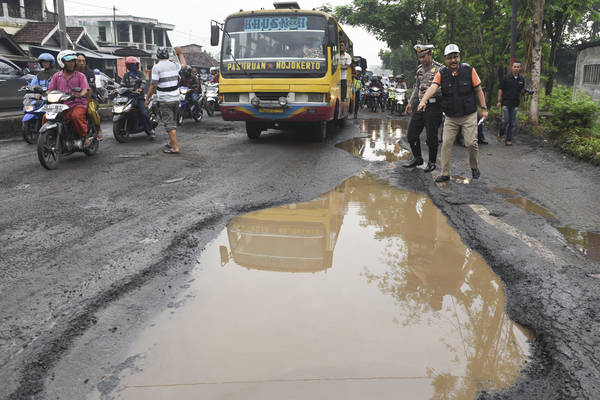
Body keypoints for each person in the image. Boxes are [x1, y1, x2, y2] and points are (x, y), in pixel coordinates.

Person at [418, 44, 488, 182]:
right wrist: (423, 101)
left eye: (455, 57)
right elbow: (433, 87)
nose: (453, 60)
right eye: (450, 58)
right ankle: (445, 173)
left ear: (459, 57)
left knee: (471, 143)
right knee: (446, 144)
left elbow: (479, 90)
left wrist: (484, 108)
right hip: (451, 116)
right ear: (445, 60)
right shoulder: (442, 74)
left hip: (468, 115)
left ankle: (474, 167)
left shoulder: (469, 70)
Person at [403, 44, 444, 172]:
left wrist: (434, 90)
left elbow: (446, 88)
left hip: (434, 104)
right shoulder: (419, 70)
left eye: (423, 56)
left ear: (430, 54)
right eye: (419, 57)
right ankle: (418, 158)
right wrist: (410, 102)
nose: (421, 60)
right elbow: (416, 87)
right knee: (411, 135)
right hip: (420, 105)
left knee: (431, 136)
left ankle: (432, 162)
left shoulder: (440, 69)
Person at [146, 46, 187, 154]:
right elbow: (184, 65)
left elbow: (153, 85)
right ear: (168, 55)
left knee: (169, 124)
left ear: (157, 56)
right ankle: (171, 142)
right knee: (172, 121)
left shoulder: (156, 67)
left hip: (165, 100)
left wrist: (147, 99)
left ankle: (175, 147)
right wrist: (180, 54)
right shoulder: (174, 65)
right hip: (176, 99)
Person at [48, 50, 90, 147]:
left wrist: (80, 94)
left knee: (76, 116)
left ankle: (85, 136)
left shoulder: (80, 76)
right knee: (46, 117)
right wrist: (44, 96)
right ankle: (49, 137)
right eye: (68, 61)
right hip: (60, 105)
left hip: (77, 103)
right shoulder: (56, 76)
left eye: (73, 61)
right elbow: (50, 90)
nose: (71, 63)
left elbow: (85, 89)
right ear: (62, 62)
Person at [122, 56, 155, 139]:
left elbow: (143, 83)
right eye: (129, 65)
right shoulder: (126, 75)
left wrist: (140, 89)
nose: (131, 67)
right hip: (128, 97)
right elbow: (121, 85)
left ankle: (150, 130)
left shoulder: (141, 74)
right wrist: (116, 90)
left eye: (133, 65)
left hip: (139, 97)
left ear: (136, 65)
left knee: (143, 113)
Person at [497, 60, 526, 146]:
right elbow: (500, 89)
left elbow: (521, 91)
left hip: (515, 104)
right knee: (505, 121)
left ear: (520, 68)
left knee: (512, 123)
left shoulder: (522, 79)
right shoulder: (506, 77)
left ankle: (508, 140)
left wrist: (525, 92)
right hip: (506, 103)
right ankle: (501, 133)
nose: (516, 68)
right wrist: (499, 101)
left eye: (518, 67)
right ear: (512, 68)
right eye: (515, 67)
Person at [76, 53, 104, 140]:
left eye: (83, 61)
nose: (81, 63)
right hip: (74, 98)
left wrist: (86, 102)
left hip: (90, 98)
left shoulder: (90, 73)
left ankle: (98, 129)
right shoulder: (71, 73)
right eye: (79, 61)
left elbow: (90, 89)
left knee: (91, 110)